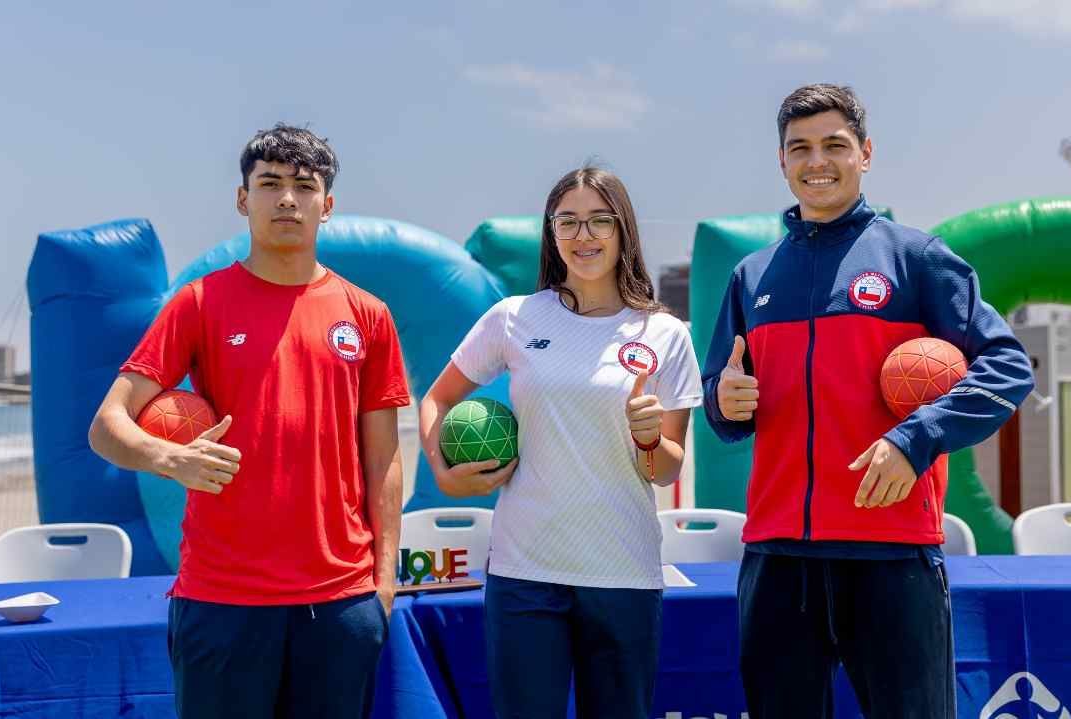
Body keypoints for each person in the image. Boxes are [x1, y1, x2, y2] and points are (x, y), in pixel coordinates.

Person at [701, 84, 1035, 719]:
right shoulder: (751, 276)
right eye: (799, 148)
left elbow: (1008, 366)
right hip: (777, 558)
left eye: (835, 145)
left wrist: (917, 438)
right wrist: (725, 399)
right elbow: (722, 409)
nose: (816, 161)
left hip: (891, 551)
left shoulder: (917, 258)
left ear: (865, 154)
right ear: (781, 161)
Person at [88, 124, 410, 719]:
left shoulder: (368, 315)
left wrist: (383, 581)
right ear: (244, 200)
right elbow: (108, 424)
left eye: (303, 185)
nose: (287, 198)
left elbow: (383, 459)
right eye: (269, 183)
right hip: (222, 595)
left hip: (340, 598)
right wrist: (169, 458)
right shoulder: (200, 303)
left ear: (326, 205)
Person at [419, 166, 702, 719]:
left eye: (600, 220)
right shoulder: (514, 319)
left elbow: (668, 469)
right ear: (551, 233)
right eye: (567, 221)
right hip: (525, 574)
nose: (583, 235)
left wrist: (648, 440)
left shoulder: (665, 333)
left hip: (622, 572)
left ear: (624, 231)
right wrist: (443, 469)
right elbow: (437, 399)